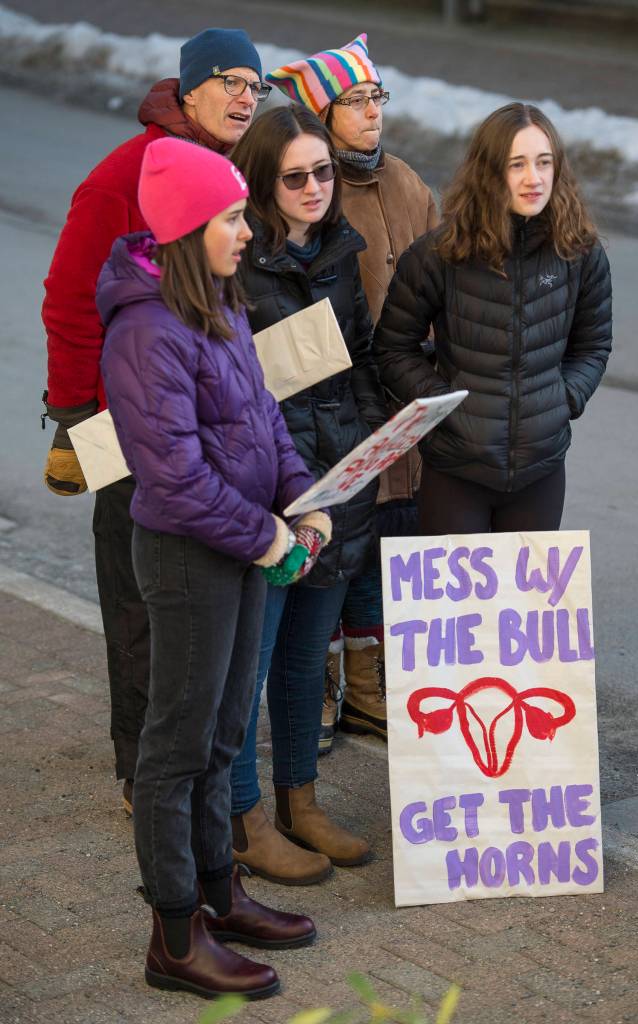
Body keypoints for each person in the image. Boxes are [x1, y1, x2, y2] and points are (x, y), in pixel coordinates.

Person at [98, 136, 330, 998]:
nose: (247, 230)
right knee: (177, 747)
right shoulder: (145, 329)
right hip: (189, 555)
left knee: (225, 731)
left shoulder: (219, 302)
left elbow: (262, 418)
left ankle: (218, 892)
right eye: (233, 216)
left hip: (239, 544)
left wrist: (302, 495)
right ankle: (173, 935)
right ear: (191, 226)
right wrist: (267, 537)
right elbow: (175, 475)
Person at [41, 27, 271, 812]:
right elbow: (70, 296)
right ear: (189, 89)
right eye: (230, 82)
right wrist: (74, 416)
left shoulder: (225, 168)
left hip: (207, 419)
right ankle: (143, 771)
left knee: (203, 605)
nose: (246, 98)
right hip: (126, 425)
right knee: (139, 601)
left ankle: (195, 772)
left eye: (256, 86)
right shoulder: (127, 173)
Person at [226, 105, 387, 885]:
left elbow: (355, 364)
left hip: (339, 485)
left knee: (301, 663)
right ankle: (242, 817)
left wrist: (372, 446)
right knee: (246, 670)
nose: (316, 186)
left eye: (323, 171)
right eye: (296, 176)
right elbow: (228, 392)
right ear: (262, 182)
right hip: (268, 497)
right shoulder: (234, 261)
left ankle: (302, 800)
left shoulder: (341, 250)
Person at [268, 33, 439, 751]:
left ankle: (367, 688)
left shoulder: (403, 181)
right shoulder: (310, 187)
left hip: (401, 391)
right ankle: (323, 687)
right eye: (354, 100)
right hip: (331, 401)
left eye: (376, 97)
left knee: (380, 543)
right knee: (331, 552)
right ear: (320, 113)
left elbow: (440, 268)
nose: (372, 112)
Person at [374, 102, 612, 534]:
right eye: (516, 164)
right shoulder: (438, 254)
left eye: (544, 162)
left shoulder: (580, 252)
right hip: (456, 472)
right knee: (456, 608)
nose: (533, 178)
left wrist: (565, 399)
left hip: (541, 471)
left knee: (527, 605)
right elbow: (392, 348)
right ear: (489, 170)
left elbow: (593, 345)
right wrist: (442, 405)